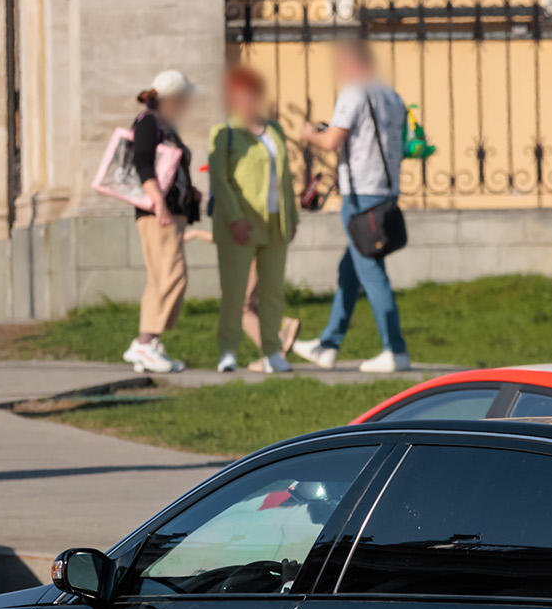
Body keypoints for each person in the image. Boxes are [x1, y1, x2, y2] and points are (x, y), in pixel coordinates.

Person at [294, 40, 409, 372]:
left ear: (351, 64)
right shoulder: (391, 95)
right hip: (386, 191)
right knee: (350, 271)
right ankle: (328, 344)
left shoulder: (354, 92)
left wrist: (309, 134)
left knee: (371, 273)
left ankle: (395, 350)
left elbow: (332, 141)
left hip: (361, 195)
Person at [208, 66, 300, 374]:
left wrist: (293, 216)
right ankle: (228, 350)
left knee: (272, 291)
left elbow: (285, 177)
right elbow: (220, 180)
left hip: (275, 222)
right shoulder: (226, 133)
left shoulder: (274, 130)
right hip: (240, 225)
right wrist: (235, 217)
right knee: (235, 292)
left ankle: (273, 351)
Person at [123, 70, 200, 374]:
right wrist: (158, 203)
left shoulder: (164, 124)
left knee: (166, 276)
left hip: (170, 212)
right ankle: (144, 342)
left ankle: (149, 343)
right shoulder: (148, 122)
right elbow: (141, 162)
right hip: (159, 214)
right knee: (170, 275)